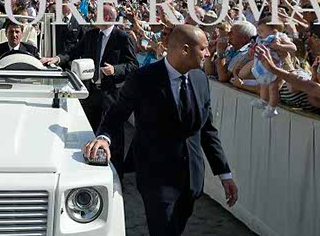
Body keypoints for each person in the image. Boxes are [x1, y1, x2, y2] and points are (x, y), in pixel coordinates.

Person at [84, 25, 238, 236]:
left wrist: (224, 174)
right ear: (185, 50)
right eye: (203, 48)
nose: (208, 54)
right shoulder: (143, 78)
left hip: (192, 178)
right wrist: (104, 137)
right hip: (156, 178)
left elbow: (207, 130)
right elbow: (116, 113)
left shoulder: (200, 78)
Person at [42, 4, 138, 177]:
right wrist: (57, 59)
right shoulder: (91, 35)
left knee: (113, 134)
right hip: (92, 93)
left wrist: (115, 69)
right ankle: (91, 171)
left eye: (97, 13)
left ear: (107, 18)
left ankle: (115, 176)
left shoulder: (122, 38)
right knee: (90, 131)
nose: (93, 15)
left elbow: (133, 65)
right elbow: (73, 52)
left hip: (111, 95)